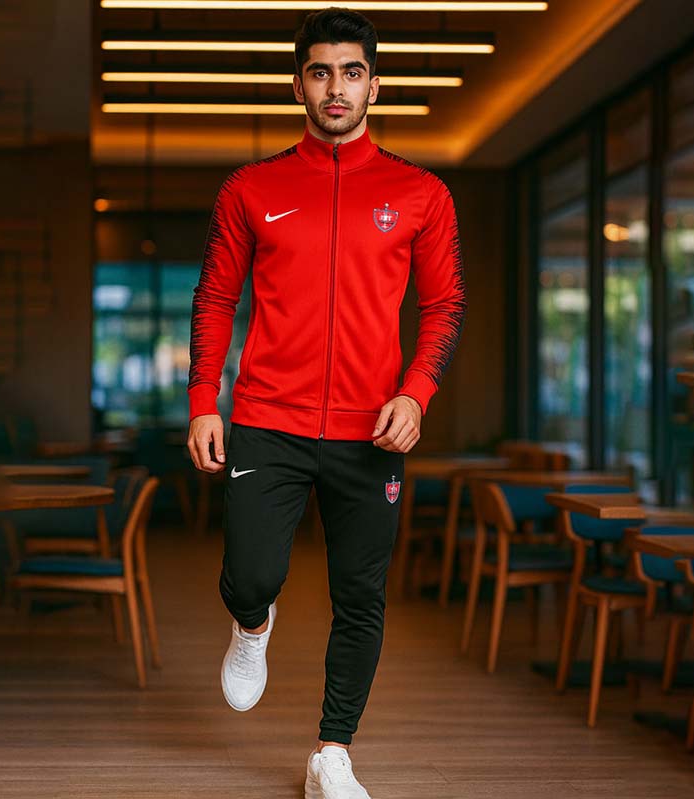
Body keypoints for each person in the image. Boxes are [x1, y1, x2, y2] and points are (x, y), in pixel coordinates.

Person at [187, 8, 466, 798]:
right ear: (298, 85)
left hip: (371, 429)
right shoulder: (251, 188)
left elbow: (445, 304)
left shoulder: (421, 193)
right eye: (320, 72)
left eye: (350, 72)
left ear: (375, 85)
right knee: (251, 574)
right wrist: (204, 398)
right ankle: (252, 623)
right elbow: (215, 297)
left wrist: (416, 392)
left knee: (360, 595)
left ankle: (332, 752)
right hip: (266, 418)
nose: (335, 87)